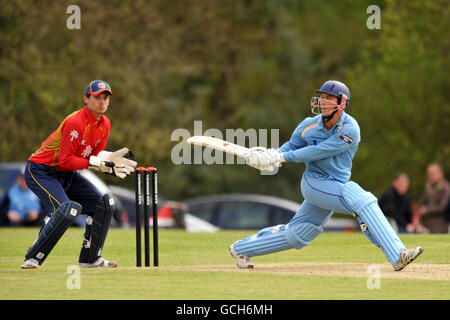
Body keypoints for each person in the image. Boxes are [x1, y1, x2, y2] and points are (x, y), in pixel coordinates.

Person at [229, 80, 423, 271]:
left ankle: (241, 248)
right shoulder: (308, 125)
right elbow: (292, 146)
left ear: (342, 103)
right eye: (321, 97)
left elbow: (321, 151)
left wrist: (281, 156)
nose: (322, 102)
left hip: (336, 184)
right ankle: (398, 255)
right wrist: (271, 155)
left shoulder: (350, 129)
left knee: (299, 233)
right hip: (314, 183)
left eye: (329, 98)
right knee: (361, 199)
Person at [21, 80, 137, 269]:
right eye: (97, 97)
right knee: (65, 210)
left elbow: (93, 156)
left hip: (68, 174)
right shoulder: (75, 122)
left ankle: (90, 259)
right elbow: (65, 159)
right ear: (86, 99)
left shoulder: (105, 124)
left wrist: (106, 162)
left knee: (103, 204)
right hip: (41, 170)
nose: (102, 102)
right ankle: (33, 257)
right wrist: (95, 162)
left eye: (105, 98)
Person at [418, 162, 449, 233]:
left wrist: (427, 209)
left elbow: (443, 206)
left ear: (441, 173)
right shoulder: (428, 187)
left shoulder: (446, 187)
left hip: (441, 224)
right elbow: (423, 203)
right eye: (429, 174)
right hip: (427, 224)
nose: (431, 176)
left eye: (433, 173)